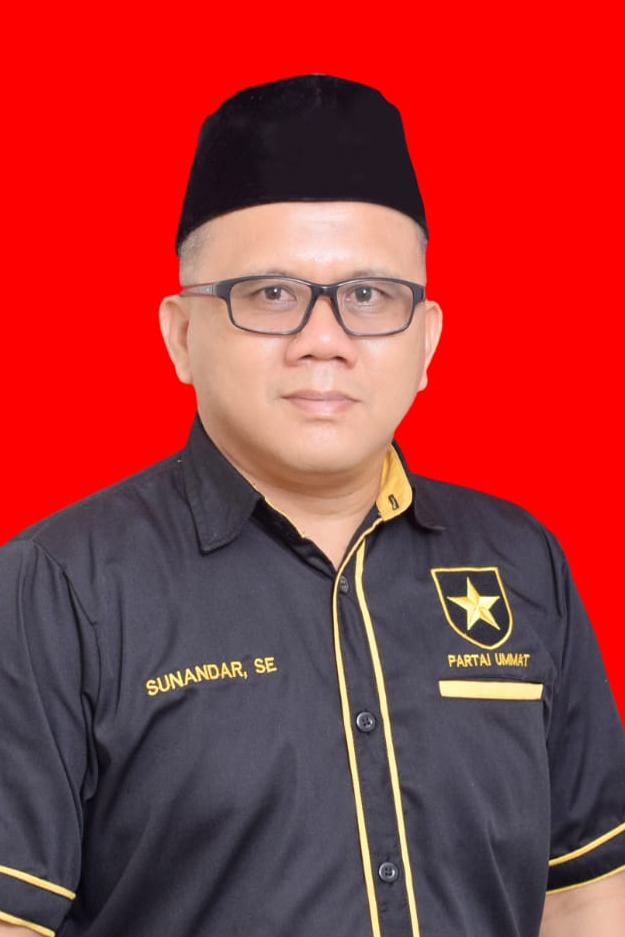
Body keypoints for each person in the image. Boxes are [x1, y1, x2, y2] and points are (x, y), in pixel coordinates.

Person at [0, 75, 623, 937]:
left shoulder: (521, 561)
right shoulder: (57, 588)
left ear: (426, 340)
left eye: (368, 296)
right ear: (180, 334)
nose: (322, 341)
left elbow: (586, 892)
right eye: (270, 294)